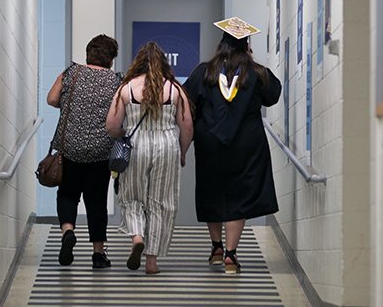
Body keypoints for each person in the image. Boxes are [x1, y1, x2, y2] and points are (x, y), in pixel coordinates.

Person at [183, 17, 282, 274]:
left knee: (211, 190)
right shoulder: (257, 73)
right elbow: (273, 96)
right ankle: (230, 254)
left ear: (221, 45)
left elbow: (186, 100)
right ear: (246, 46)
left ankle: (216, 247)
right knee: (238, 194)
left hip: (209, 144)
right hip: (246, 145)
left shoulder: (203, 72)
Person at [106, 42, 194, 275]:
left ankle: (137, 237)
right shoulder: (175, 90)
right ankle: (152, 261)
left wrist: (124, 135)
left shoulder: (127, 88)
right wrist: (182, 152)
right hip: (167, 146)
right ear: (163, 63)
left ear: (139, 62)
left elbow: (112, 125)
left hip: (136, 146)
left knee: (131, 196)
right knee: (161, 202)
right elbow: (187, 128)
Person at [47, 34, 121, 269]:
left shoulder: (71, 73)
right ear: (110, 59)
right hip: (101, 151)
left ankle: (68, 231)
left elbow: (51, 99)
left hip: (70, 148)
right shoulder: (116, 81)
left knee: (67, 194)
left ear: (89, 52)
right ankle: (98, 254)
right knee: (97, 201)